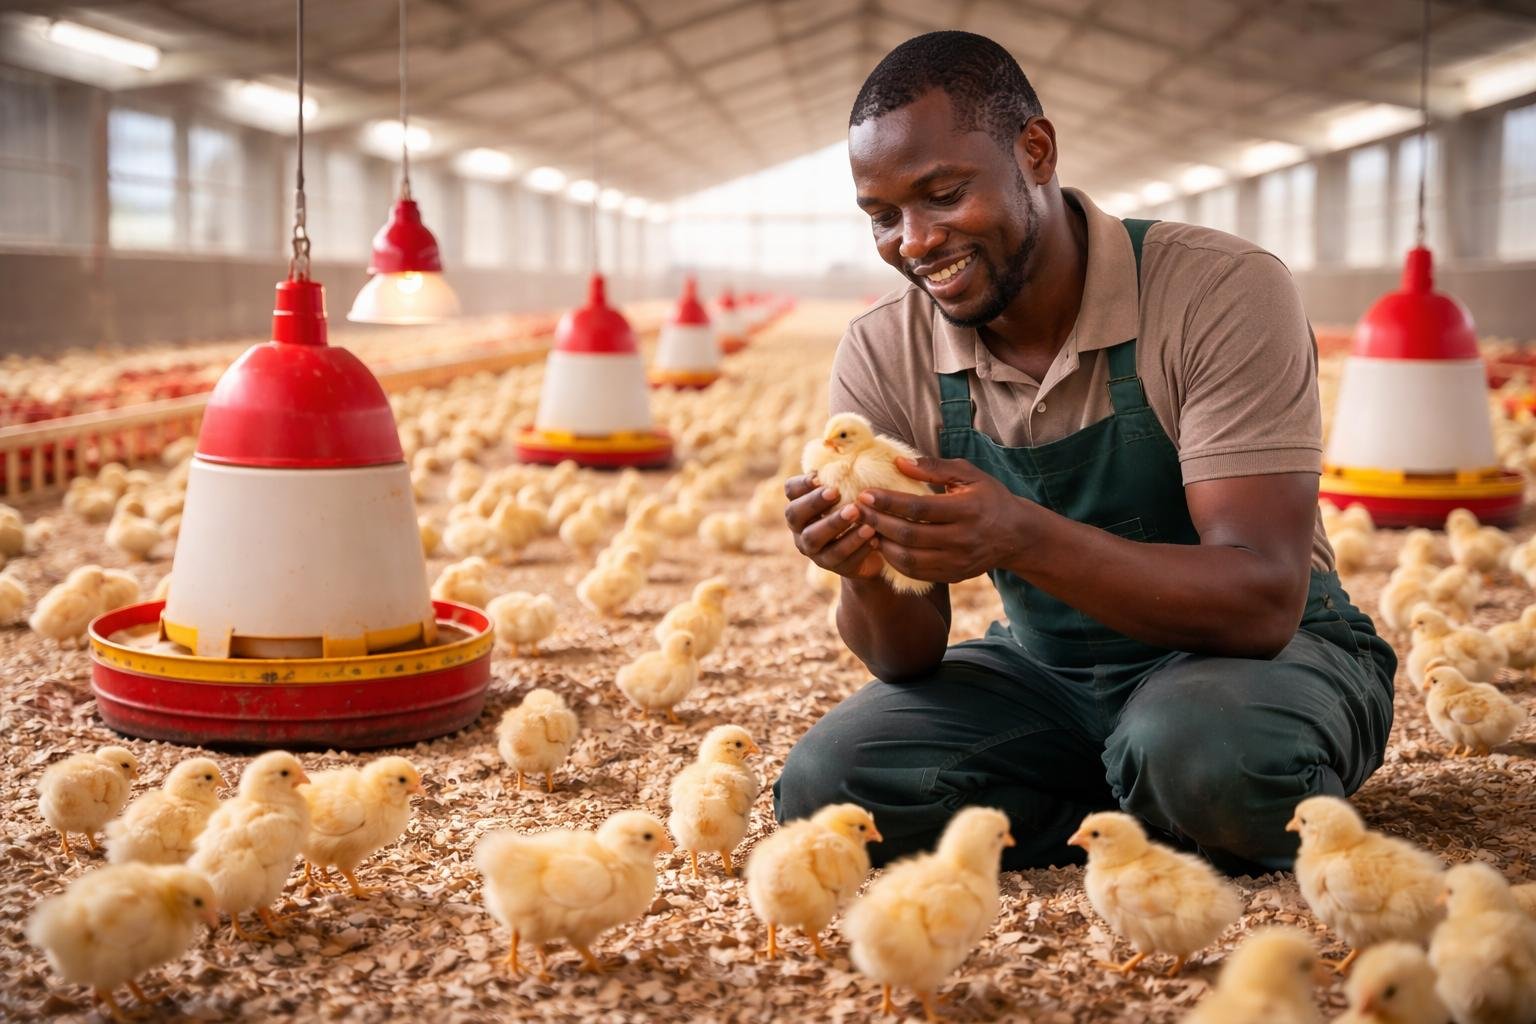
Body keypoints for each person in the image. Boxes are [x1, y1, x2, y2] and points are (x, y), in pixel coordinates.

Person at [773, 30, 1395, 875]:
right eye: (883, 217)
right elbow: (905, 654)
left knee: (1204, 750)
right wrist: (858, 563)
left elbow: (1261, 600)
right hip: (1051, 671)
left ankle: (1180, 779)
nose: (913, 242)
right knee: (831, 786)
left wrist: (1019, 535)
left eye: (943, 194)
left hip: (1256, 659)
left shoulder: (1217, 290)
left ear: (1035, 150)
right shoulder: (884, 352)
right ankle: (1147, 806)